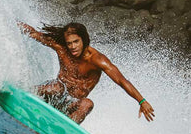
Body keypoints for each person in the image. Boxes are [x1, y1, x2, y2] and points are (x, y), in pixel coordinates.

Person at [18, 21, 155, 124]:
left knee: (87, 104)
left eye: (76, 42)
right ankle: (21, 93)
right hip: (51, 96)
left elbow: (121, 80)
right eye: (69, 43)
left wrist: (141, 101)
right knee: (57, 88)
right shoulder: (62, 49)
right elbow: (34, 33)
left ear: (84, 39)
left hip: (70, 106)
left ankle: (64, 130)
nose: (72, 47)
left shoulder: (97, 60)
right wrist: (8, 21)